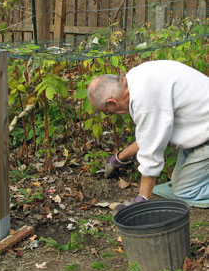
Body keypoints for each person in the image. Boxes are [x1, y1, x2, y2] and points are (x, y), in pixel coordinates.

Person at [88, 60, 209, 212]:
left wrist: (142, 199)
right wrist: (119, 158)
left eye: (107, 111)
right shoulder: (137, 77)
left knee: (185, 191)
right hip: (200, 129)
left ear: (112, 102)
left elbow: (151, 151)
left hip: (204, 133)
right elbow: (149, 136)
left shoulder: (144, 101)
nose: (110, 114)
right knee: (179, 183)